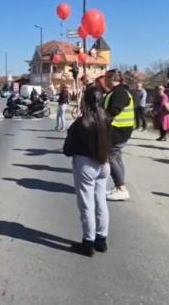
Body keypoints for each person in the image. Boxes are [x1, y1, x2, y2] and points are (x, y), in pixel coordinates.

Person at [63, 85, 112, 256]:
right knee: (101, 201)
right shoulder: (107, 119)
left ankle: (88, 242)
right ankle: (102, 239)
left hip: (85, 165)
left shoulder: (81, 123)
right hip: (104, 163)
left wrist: (74, 127)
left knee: (86, 205)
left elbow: (67, 149)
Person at [103, 70, 134, 202]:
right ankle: (119, 187)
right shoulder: (119, 91)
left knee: (111, 157)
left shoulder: (119, 93)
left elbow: (113, 111)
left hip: (117, 131)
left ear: (111, 79)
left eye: (106, 78)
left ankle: (121, 188)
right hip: (119, 131)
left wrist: (101, 119)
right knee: (116, 157)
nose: (104, 81)